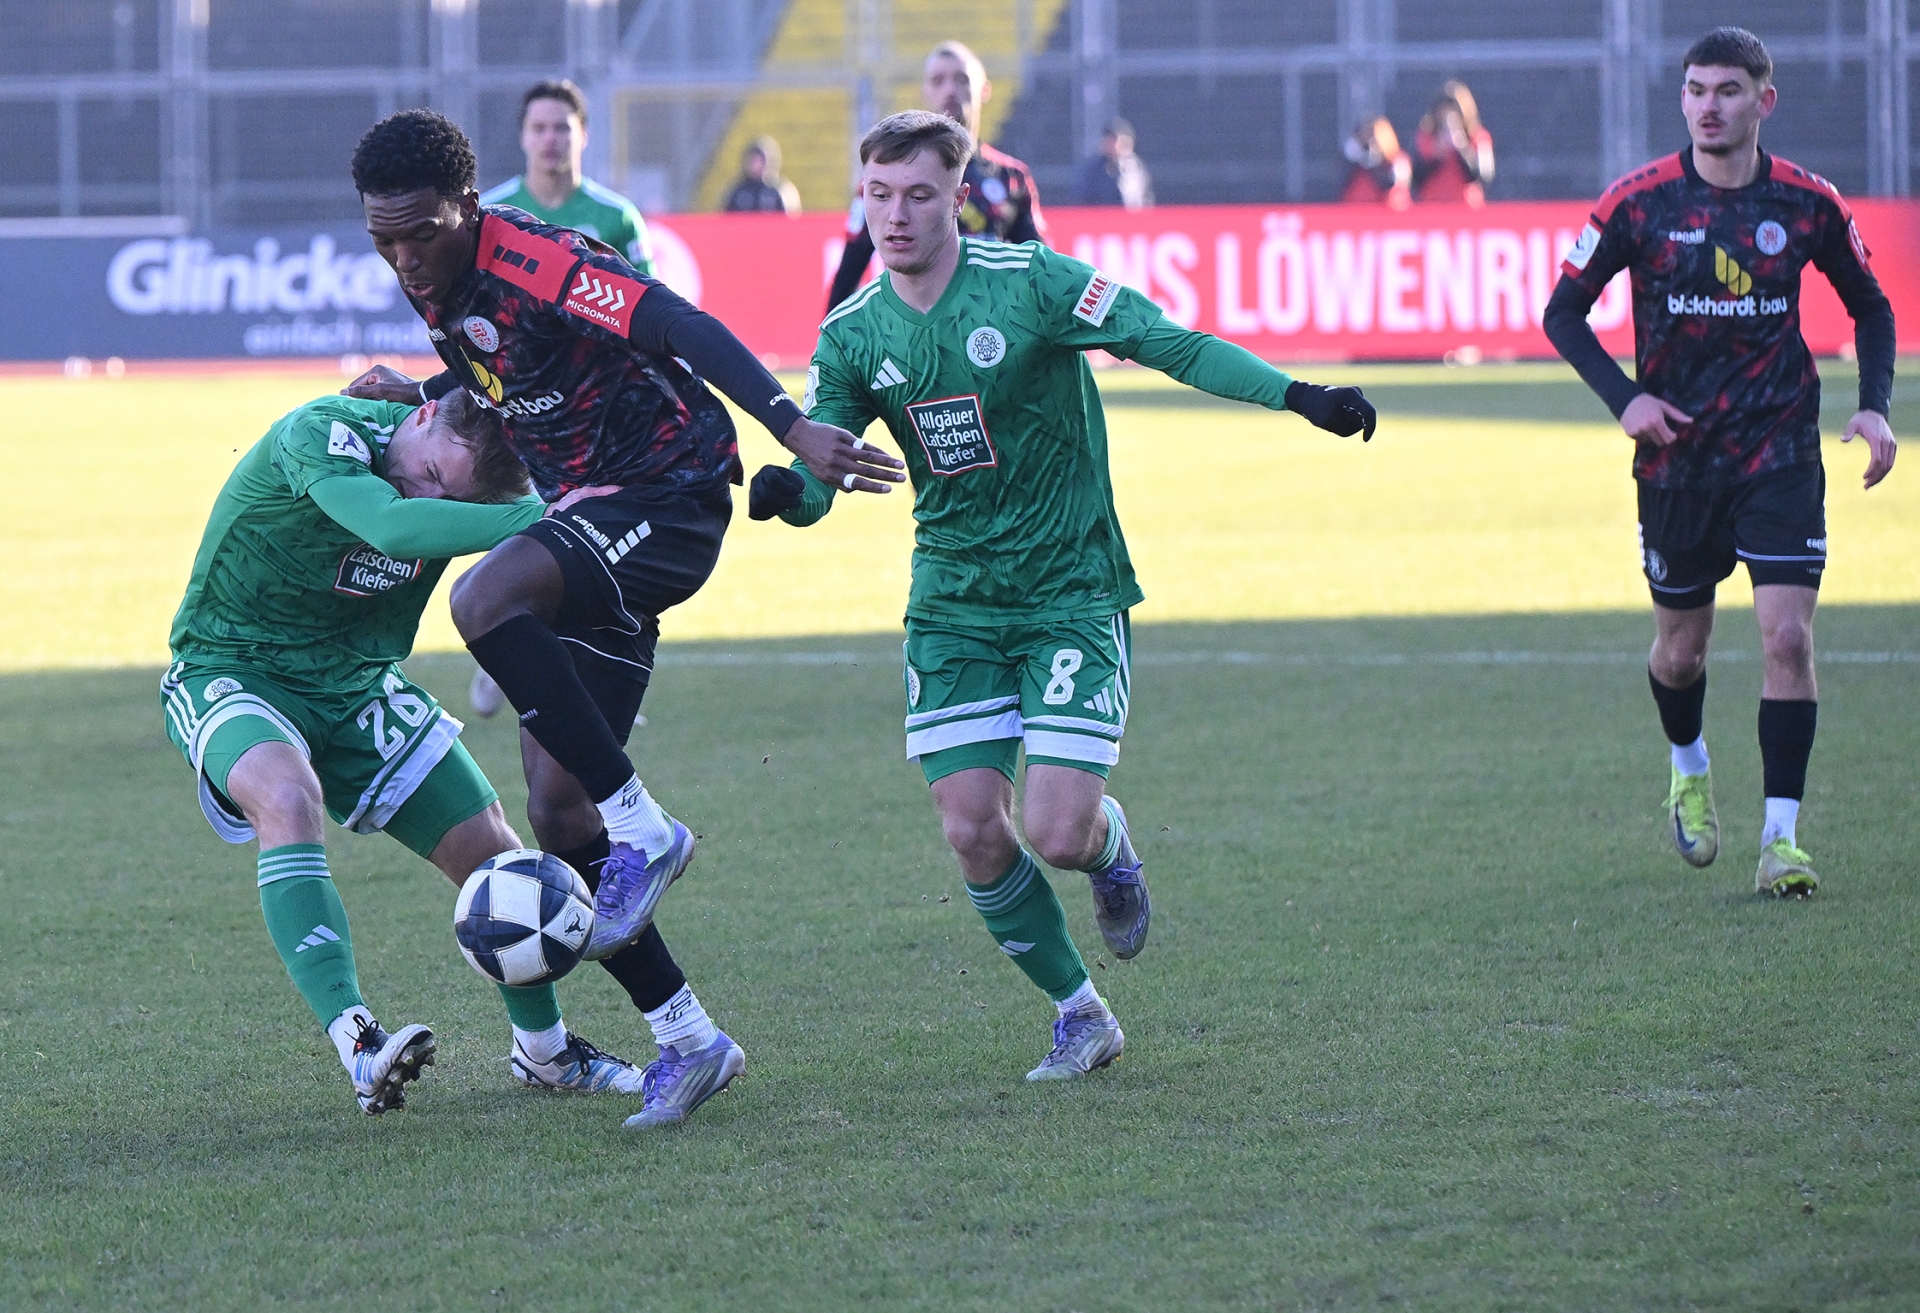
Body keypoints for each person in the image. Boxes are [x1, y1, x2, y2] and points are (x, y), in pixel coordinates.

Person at [755, 111, 1375, 1081]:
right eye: (877, 195)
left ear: (959, 197)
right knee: (971, 827)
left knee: (1055, 830)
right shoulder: (852, 334)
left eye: (918, 194)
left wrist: (1298, 395)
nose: (895, 215)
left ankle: (1109, 844)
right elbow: (823, 471)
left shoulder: (1034, 281)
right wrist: (784, 494)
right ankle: (1079, 1012)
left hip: (1069, 588)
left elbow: (1165, 340)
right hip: (953, 601)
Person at [340, 109, 901, 1126]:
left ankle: (649, 828)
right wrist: (424, 385)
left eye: (420, 232)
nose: (404, 256)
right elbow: (506, 367)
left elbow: (676, 323)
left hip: (669, 493)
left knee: (482, 596)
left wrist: (789, 423)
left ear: (467, 205)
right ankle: (690, 1038)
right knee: (558, 813)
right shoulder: (436, 279)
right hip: (592, 519)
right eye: (385, 239)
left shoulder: (541, 258)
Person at [162, 389, 655, 1114]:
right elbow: (393, 528)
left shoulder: (462, 460)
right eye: (429, 476)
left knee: (494, 855)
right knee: (288, 798)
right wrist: (541, 518)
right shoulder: (321, 431)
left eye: (452, 501)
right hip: (234, 667)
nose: (428, 498)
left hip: (360, 685)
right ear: (422, 419)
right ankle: (359, 1042)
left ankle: (546, 1054)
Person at [1543, 26, 1897, 898]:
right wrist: (1625, 399)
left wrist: (1874, 404)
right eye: (1697, 90)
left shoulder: (1808, 204)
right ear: (1683, 99)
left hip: (1780, 452)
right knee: (1680, 652)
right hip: (1677, 464)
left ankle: (1781, 841)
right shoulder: (1638, 203)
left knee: (1788, 638)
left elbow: (1872, 305)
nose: (1709, 106)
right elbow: (1562, 312)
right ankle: (1689, 766)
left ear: (1763, 101)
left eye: (1728, 91)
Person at [826, 41, 1045, 312]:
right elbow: (850, 270)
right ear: (925, 92)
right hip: (915, 323)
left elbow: (1038, 266)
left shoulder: (1010, 177)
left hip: (991, 322)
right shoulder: (890, 176)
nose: (950, 90)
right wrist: (833, 333)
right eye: (938, 80)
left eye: (961, 79)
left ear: (984, 90)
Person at [479, 79, 654, 274]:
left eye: (562, 128)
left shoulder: (618, 217)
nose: (550, 138)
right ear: (522, 137)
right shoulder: (488, 214)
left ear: (583, 135)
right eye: (539, 128)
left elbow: (649, 290)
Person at [1413, 81, 1494, 206]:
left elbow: (1483, 176)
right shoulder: (1426, 138)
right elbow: (1416, 179)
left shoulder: (1479, 137)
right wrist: (1438, 154)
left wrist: (1462, 148)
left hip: (1466, 207)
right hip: (1432, 206)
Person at [1074, 117, 1153, 210]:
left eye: (1122, 141)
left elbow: (1146, 199)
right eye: (1112, 140)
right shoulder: (1092, 171)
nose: (1117, 145)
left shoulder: (1137, 168)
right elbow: (1082, 200)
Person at [1340, 116, 1412, 209]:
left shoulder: (1399, 161)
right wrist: (1359, 154)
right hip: (1355, 208)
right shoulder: (1357, 158)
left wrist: (1378, 163)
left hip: (1385, 209)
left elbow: (1397, 187)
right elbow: (1342, 180)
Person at [722, 136, 801, 214]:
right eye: (754, 160)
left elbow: (791, 216)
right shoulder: (738, 191)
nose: (757, 165)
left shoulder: (781, 190)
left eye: (761, 160)